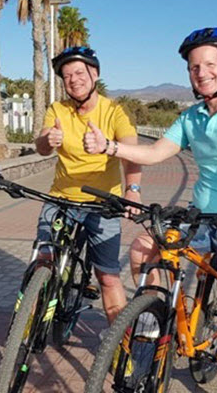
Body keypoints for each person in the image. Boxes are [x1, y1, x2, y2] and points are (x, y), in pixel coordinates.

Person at [83, 27, 217, 393]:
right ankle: (153, 319)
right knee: (143, 249)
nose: (201, 72)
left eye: (210, 64)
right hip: (200, 217)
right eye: (194, 67)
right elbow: (156, 152)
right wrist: (110, 147)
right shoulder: (192, 117)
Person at [36, 46, 142, 326]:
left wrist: (132, 191)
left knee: (107, 277)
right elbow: (42, 146)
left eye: (79, 73)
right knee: (43, 259)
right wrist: (48, 140)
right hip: (61, 199)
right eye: (67, 76)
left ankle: (120, 345)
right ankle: (30, 324)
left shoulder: (115, 110)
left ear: (94, 74)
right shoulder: (57, 110)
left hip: (102, 204)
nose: (73, 80)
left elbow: (132, 154)